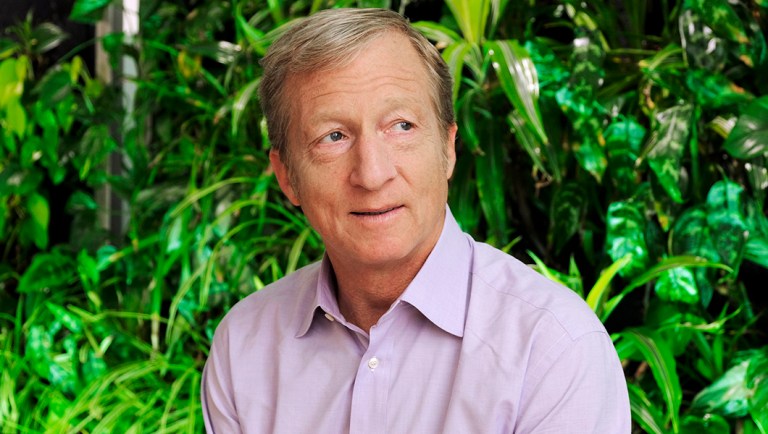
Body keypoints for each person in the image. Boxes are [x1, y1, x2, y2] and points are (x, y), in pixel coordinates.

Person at [201, 8, 630, 433]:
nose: (372, 174)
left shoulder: (553, 349)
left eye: (401, 126)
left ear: (448, 148)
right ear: (287, 177)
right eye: (334, 136)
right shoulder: (243, 349)